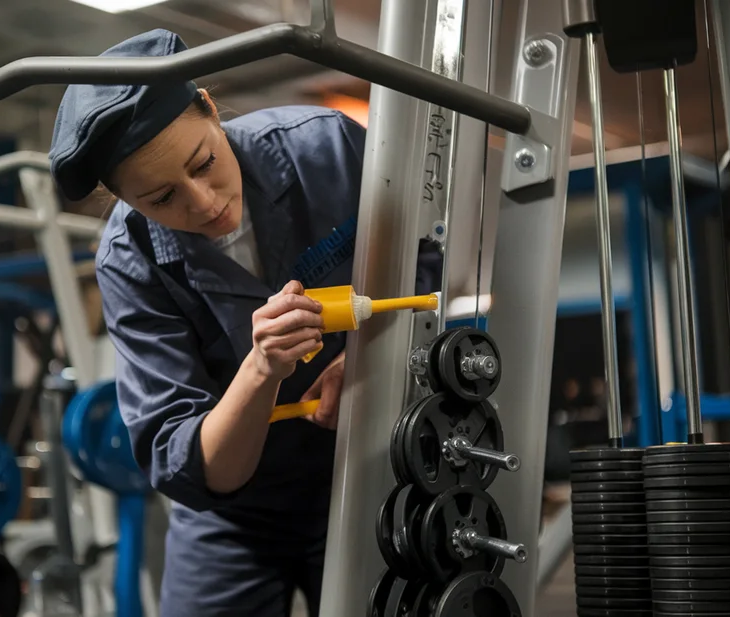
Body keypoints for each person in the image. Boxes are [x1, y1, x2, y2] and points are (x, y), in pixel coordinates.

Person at [49, 28, 439, 617]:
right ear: (123, 199)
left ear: (209, 105)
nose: (203, 204)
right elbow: (190, 457)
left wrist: (359, 365)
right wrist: (262, 368)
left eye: (204, 162)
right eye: (161, 198)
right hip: (238, 513)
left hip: (375, 465)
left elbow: (428, 276)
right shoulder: (130, 263)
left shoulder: (326, 150)